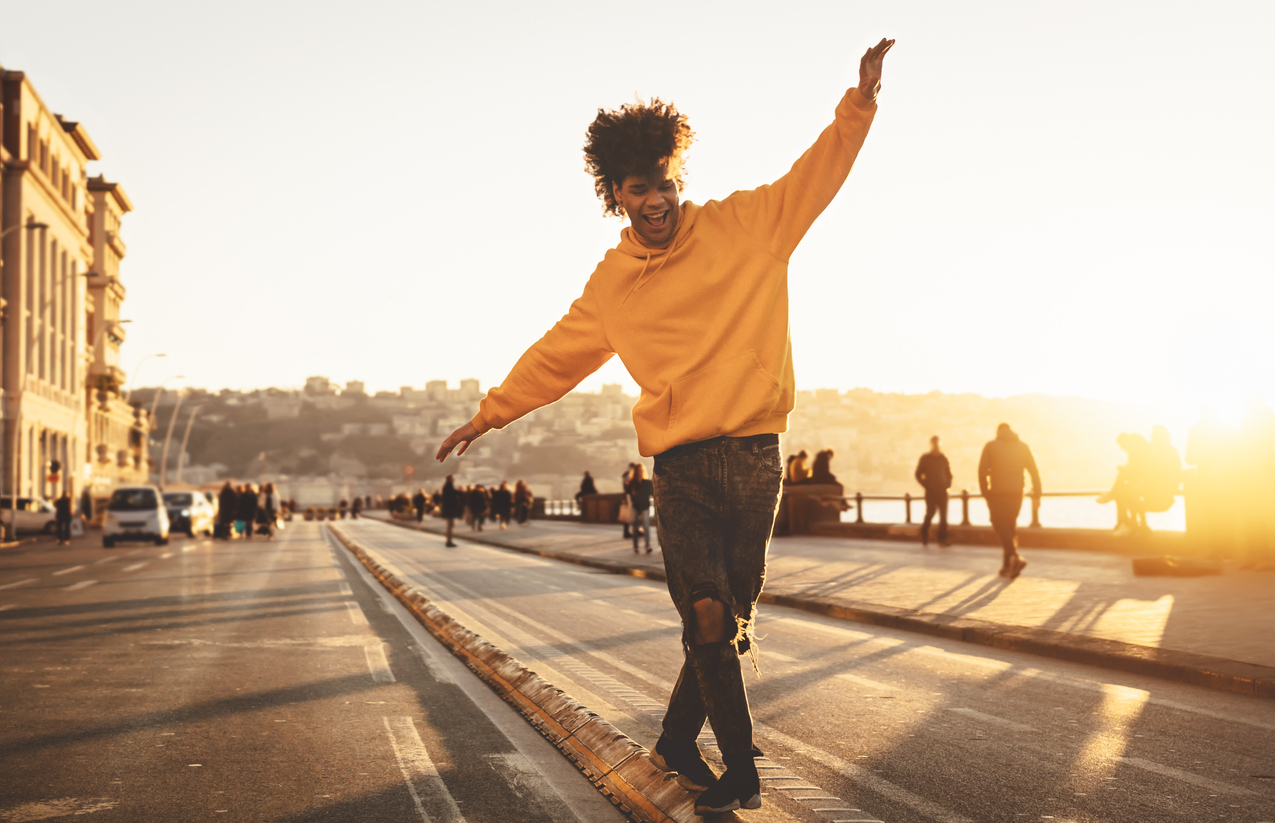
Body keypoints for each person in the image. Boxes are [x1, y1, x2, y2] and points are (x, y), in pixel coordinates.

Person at [435, 38, 892, 816]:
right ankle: (741, 768)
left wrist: (859, 102)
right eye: (641, 188)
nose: (659, 200)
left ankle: (676, 742)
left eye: (668, 184)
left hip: (754, 458)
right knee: (707, 613)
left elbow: (818, 175)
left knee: (728, 620)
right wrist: (489, 413)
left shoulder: (748, 225)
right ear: (615, 192)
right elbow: (556, 357)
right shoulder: (612, 286)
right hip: (679, 469)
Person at [978, 423, 1040, 578]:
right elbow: (1034, 471)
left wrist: (986, 493)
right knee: (1010, 526)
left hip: (998, 494)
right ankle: (1007, 566)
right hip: (1017, 493)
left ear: (998, 432)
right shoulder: (1023, 446)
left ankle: (1014, 557)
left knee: (1000, 524)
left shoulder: (991, 446)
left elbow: (982, 471)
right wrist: (1037, 494)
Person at [914, 436, 952, 547]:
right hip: (931, 492)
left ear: (940, 444)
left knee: (944, 516)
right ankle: (924, 530)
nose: (936, 446)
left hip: (943, 491)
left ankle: (942, 539)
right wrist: (926, 486)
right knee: (931, 512)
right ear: (931, 444)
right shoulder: (925, 458)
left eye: (937, 443)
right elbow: (918, 474)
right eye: (934, 443)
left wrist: (948, 484)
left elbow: (949, 474)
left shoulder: (943, 458)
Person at [627, 463, 654, 553]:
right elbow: (628, 494)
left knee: (646, 526)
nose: (640, 471)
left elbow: (652, 494)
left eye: (641, 470)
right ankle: (636, 547)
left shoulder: (647, 482)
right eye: (638, 470)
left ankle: (647, 546)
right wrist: (630, 505)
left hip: (645, 506)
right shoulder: (632, 483)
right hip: (635, 506)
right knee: (635, 527)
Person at [440, 475, 463, 547]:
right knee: (450, 525)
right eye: (453, 478)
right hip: (450, 509)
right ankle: (449, 541)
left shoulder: (447, 486)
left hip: (448, 509)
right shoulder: (449, 486)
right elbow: (453, 494)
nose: (454, 479)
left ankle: (449, 540)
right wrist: (460, 491)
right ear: (450, 479)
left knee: (450, 525)